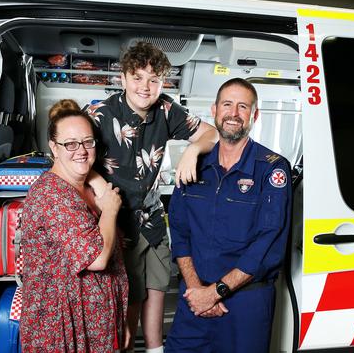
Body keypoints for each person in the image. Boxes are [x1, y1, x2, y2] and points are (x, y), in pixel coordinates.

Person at [83, 41, 218, 353]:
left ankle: (156, 349)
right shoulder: (98, 113)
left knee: (157, 288)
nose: (145, 86)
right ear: (124, 78)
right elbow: (72, 157)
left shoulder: (168, 110)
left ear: (162, 83)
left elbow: (211, 134)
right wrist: (99, 185)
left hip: (153, 220)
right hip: (116, 223)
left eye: (154, 79)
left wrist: (193, 150)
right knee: (129, 294)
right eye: (138, 77)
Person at [165, 78, 292, 352]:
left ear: (254, 115)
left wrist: (214, 293)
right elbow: (179, 230)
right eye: (227, 104)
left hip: (245, 305)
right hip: (194, 299)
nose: (233, 113)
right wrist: (198, 291)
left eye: (243, 106)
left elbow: (267, 243)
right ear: (214, 110)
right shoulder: (194, 164)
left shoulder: (272, 169)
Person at [19, 102, 128, 352]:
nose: (81, 150)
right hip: (63, 330)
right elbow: (98, 259)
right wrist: (110, 209)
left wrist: (118, 321)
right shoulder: (51, 194)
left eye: (87, 142)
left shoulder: (87, 186)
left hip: (99, 324)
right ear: (54, 148)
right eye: (70, 143)